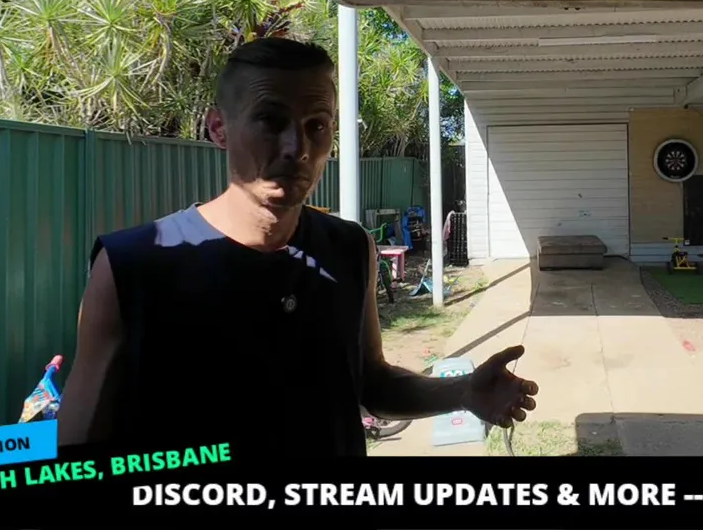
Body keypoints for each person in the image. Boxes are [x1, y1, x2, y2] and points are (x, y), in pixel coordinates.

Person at [56, 37, 538, 455]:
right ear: (218, 128)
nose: (297, 148)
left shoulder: (349, 247)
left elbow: (370, 382)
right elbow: (76, 449)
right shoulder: (133, 266)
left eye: (316, 125)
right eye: (271, 120)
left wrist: (461, 392)